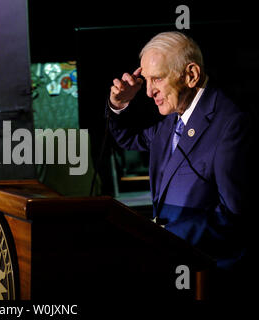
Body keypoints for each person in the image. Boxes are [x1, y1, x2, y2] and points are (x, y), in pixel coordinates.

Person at [107, 31, 252, 298]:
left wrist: (160, 235)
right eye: (147, 80)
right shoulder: (172, 121)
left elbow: (234, 218)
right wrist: (119, 103)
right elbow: (126, 138)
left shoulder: (230, 125)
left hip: (213, 279)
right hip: (176, 269)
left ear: (191, 75)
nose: (149, 91)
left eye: (157, 79)